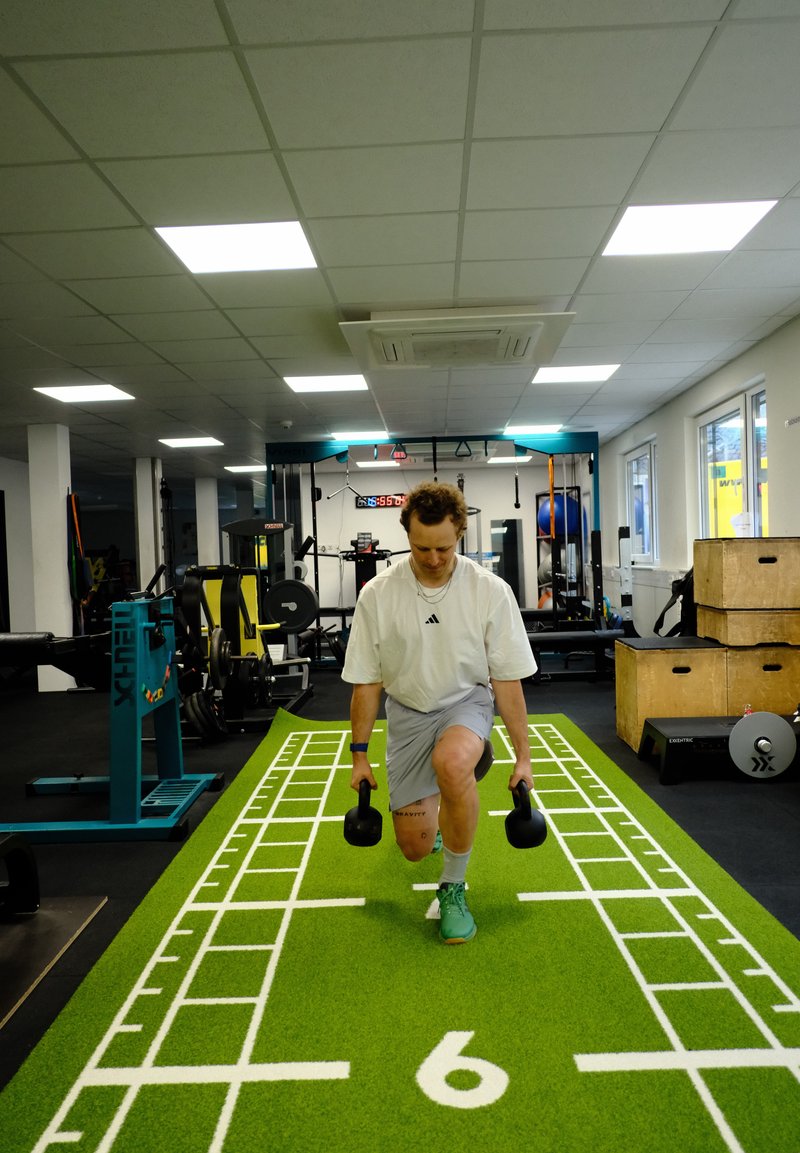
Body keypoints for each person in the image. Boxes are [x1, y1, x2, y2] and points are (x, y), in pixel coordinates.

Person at [341, 480, 538, 944]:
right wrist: (359, 756)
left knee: (450, 765)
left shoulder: (489, 590)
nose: (432, 559)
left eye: (443, 549)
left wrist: (524, 757)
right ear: (407, 537)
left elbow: (507, 682)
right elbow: (367, 683)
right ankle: (455, 781)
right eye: (420, 548)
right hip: (408, 713)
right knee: (412, 849)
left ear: (461, 535)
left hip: (464, 703)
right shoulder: (378, 593)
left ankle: (453, 887)